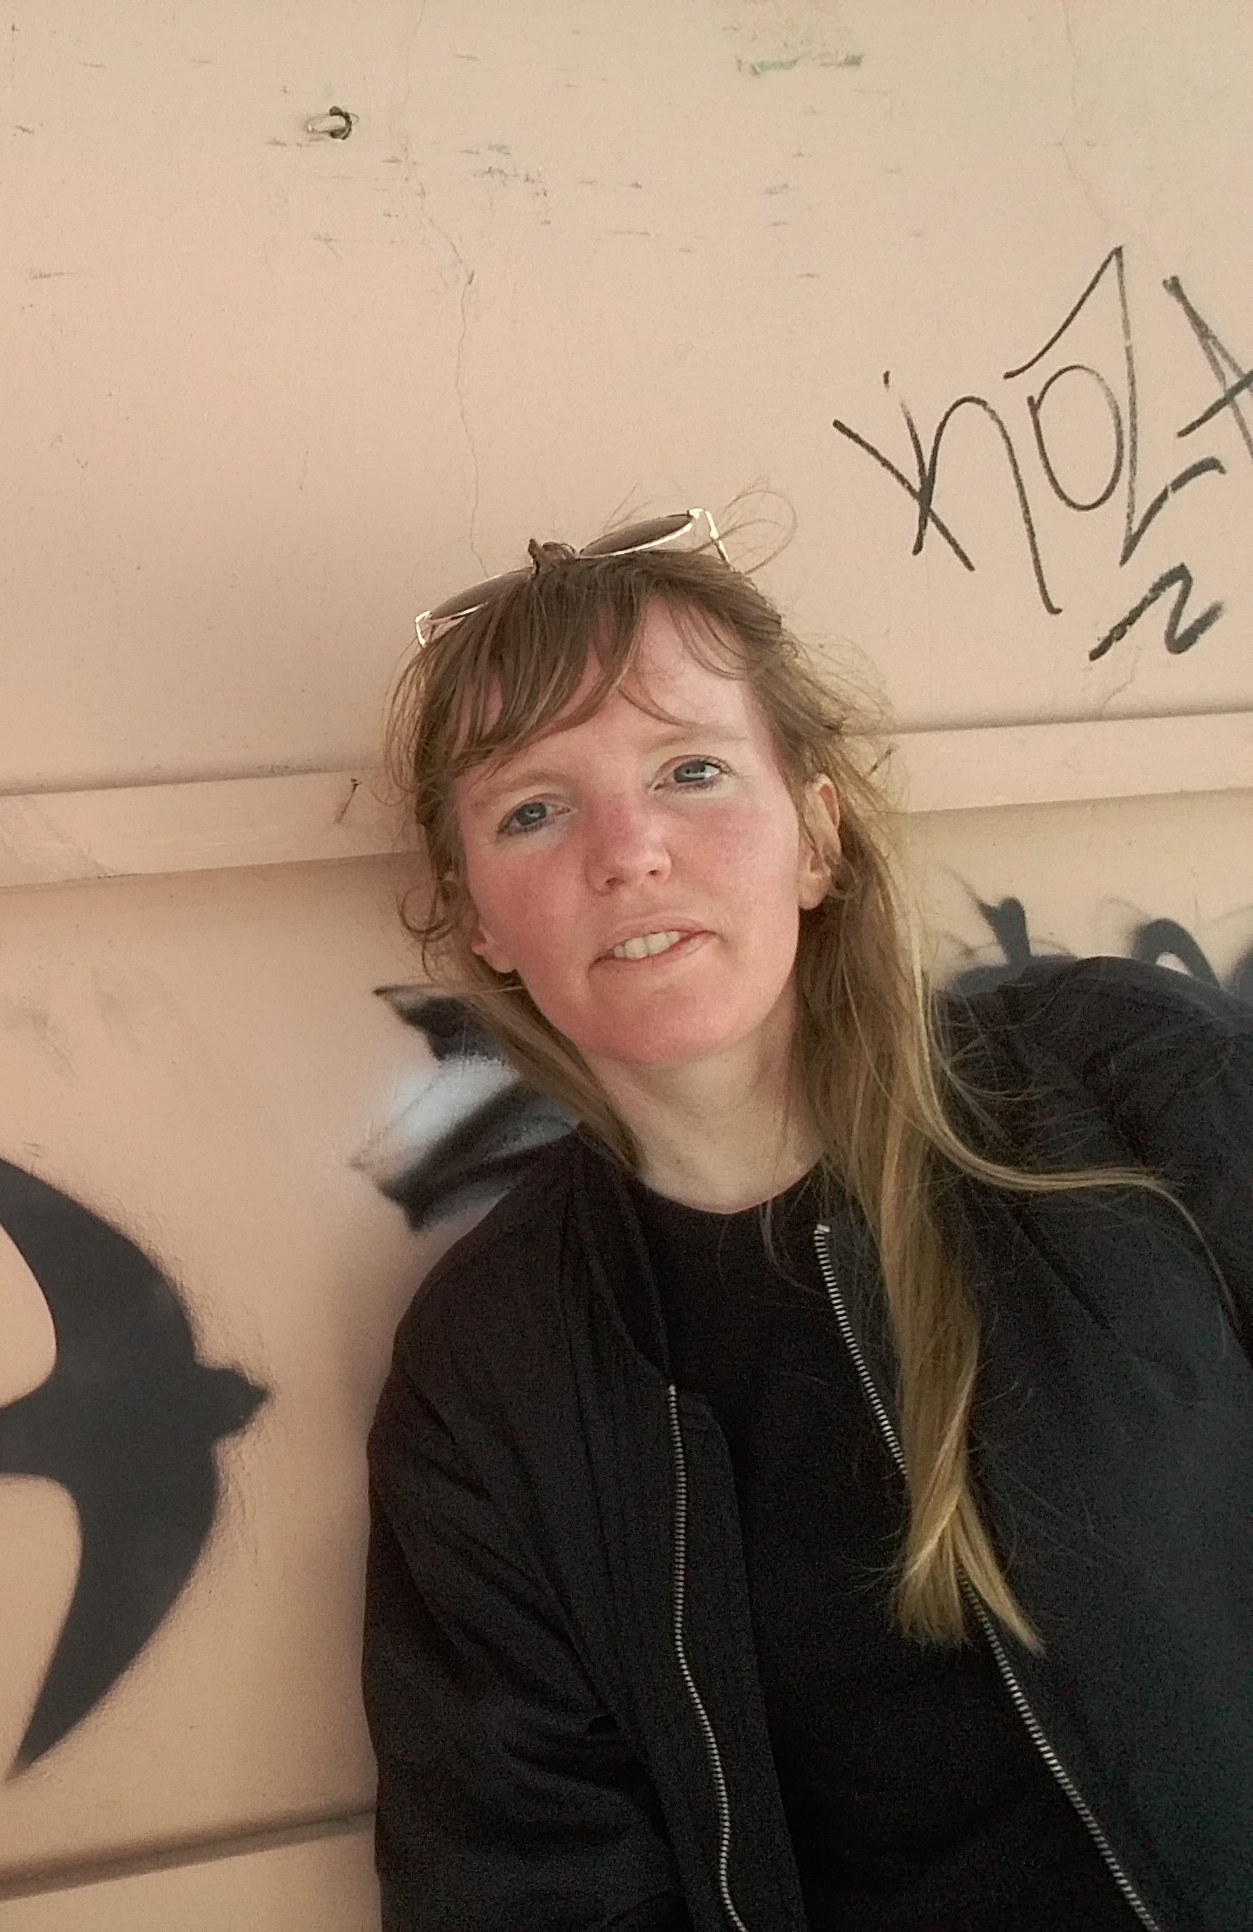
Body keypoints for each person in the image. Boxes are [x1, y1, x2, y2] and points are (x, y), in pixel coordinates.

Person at [361, 511, 1252, 1931]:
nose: (629, 852)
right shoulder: (491, 1372)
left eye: (692, 770)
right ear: (480, 921)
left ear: (817, 836)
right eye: (534, 809)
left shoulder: (1125, 1085)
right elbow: (526, 1878)